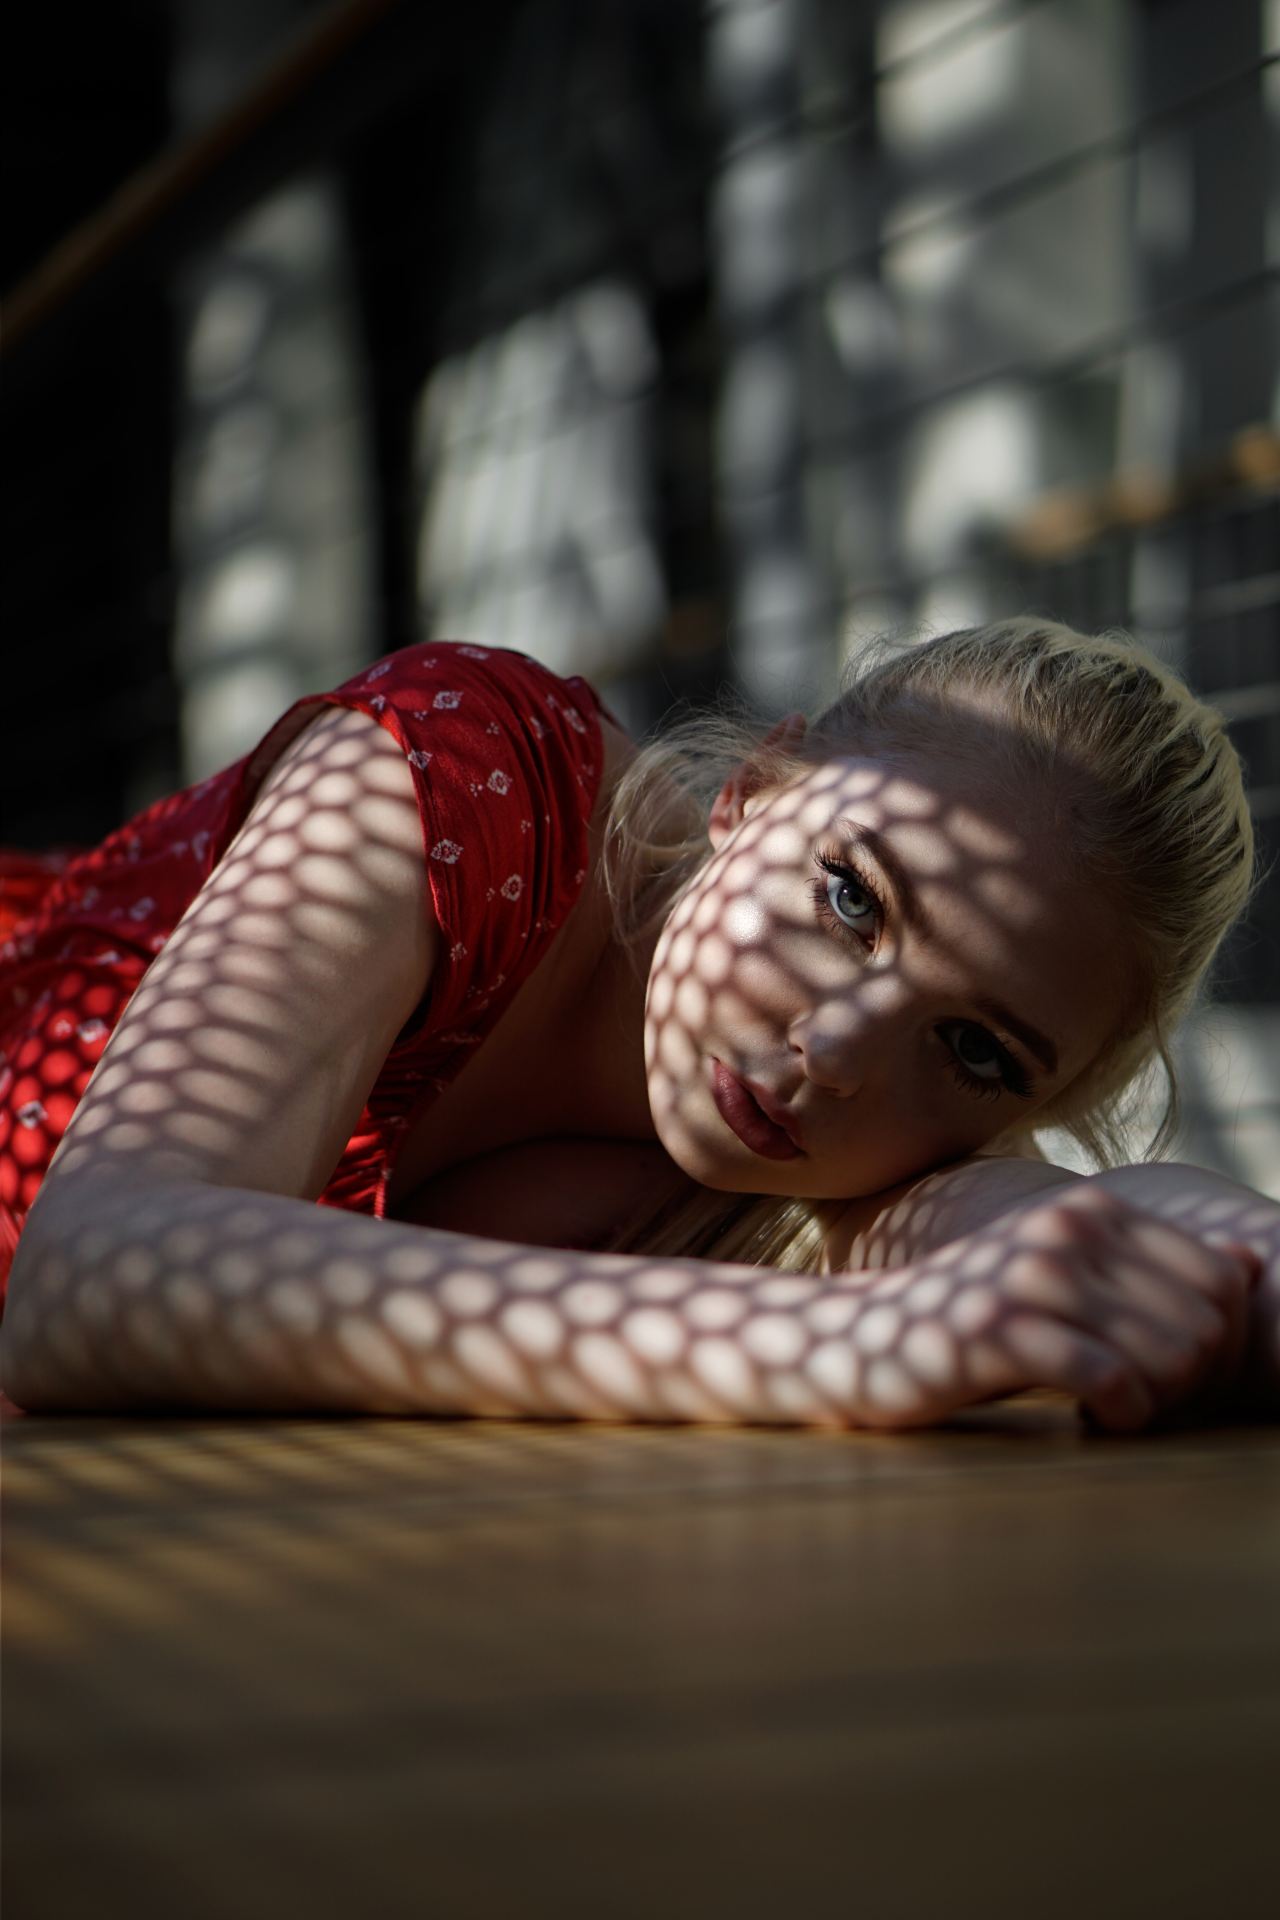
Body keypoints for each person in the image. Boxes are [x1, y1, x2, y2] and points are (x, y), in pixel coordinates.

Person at [1, 621, 1277, 1428]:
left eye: (976, 1049)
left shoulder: (861, 1160)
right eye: (849, 900)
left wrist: (1241, 1265)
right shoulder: (462, 773)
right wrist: (828, 1350)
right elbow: (84, 1275)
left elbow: (1066, 1233)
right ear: (751, 796)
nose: (833, 1053)